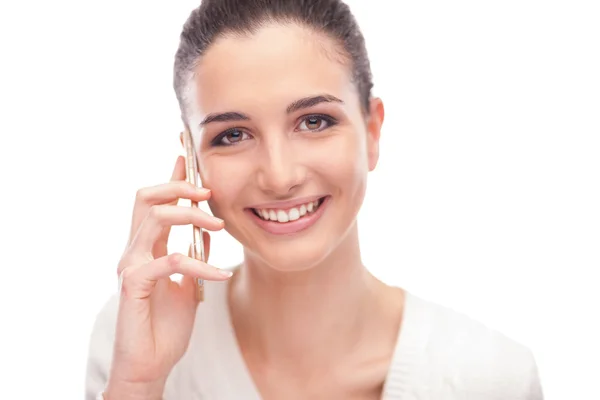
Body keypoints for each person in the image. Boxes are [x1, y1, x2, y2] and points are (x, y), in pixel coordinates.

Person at [85, 0, 544, 399]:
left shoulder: (492, 379)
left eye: (315, 122)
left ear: (371, 131)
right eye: (233, 134)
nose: (280, 176)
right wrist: (139, 387)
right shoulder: (134, 336)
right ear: (192, 158)